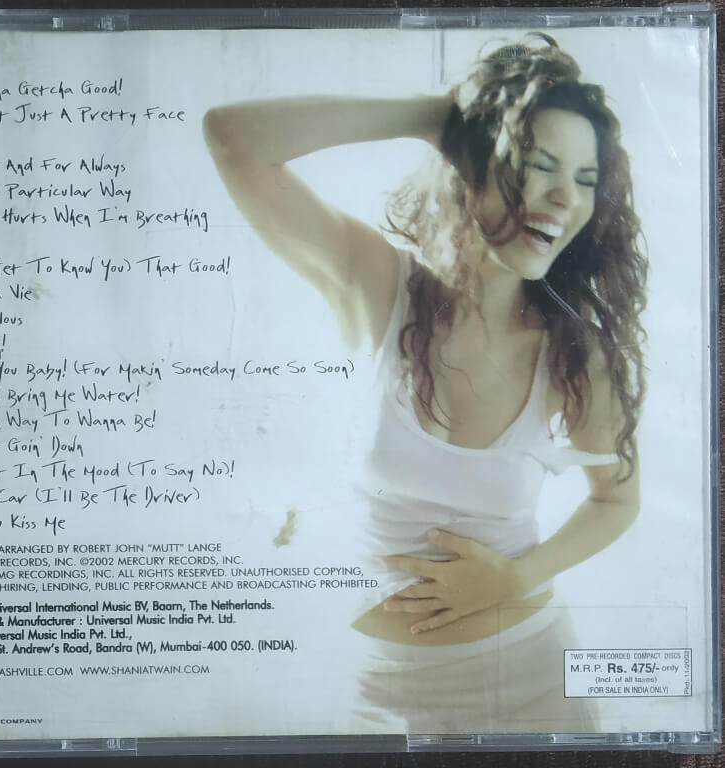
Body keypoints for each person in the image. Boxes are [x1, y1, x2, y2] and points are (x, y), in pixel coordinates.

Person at [203, 35, 647, 733]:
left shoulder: (573, 352)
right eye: (541, 165)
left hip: (530, 678)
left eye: (586, 179)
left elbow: (617, 499)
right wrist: (437, 117)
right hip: (377, 697)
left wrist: (515, 578)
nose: (566, 197)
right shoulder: (379, 286)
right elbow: (231, 138)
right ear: (474, 163)